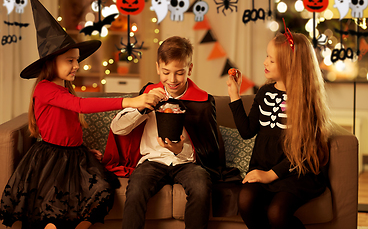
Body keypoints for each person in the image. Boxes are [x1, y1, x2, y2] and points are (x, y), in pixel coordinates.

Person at [0, 0, 165, 229]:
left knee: (102, 193)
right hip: (51, 159)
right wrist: (131, 101)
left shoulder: (65, 88)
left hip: (76, 156)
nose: (77, 66)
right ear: (51, 62)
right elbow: (81, 106)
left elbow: (69, 123)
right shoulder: (45, 89)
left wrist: (84, 148)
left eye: (77, 60)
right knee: (54, 208)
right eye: (70, 60)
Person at [102, 36, 224, 229]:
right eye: (166, 72)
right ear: (158, 67)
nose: (172, 79)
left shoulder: (203, 102)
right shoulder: (147, 93)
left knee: (201, 186)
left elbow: (208, 148)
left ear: (189, 69)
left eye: (179, 73)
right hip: (152, 162)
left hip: (186, 163)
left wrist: (178, 150)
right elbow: (118, 128)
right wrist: (143, 107)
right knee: (135, 189)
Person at [226, 25, 331, 229]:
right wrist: (234, 95)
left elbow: (302, 150)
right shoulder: (264, 92)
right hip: (264, 167)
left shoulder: (305, 100)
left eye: (272, 60)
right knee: (245, 201)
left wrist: (271, 175)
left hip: (295, 172)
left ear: (290, 65)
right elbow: (247, 132)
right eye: (267, 56)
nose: (265, 62)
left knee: (277, 213)